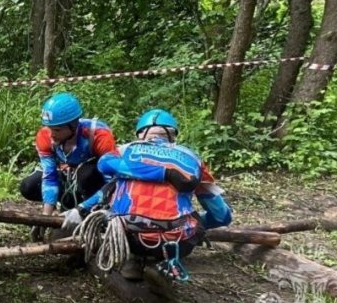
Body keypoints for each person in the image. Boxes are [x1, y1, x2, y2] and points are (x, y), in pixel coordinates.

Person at [71, 108, 232, 287]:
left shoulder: (125, 151)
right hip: (179, 240)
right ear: (173, 136)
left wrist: (81, 208)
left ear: (140, 134)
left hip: (129, 237)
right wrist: (167, 174)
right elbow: (222, 216)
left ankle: (132, 258)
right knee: (191, 221)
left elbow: (103, 165)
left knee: (115, 193)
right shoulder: (193, 158)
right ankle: (165, 260)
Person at [19, 93, 117, 240]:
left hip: (93, 183)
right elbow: (50, 177)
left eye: (57, 130)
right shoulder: (45, 136)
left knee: (86, 174)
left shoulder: (99, 135)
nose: (51, 134)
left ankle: (91, 213)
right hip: (68, 180)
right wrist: (45, 218)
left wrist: (82, 210)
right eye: (49, 127)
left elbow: (112, 183)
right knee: (29, 185)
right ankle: (68, 205)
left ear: (74, 125)